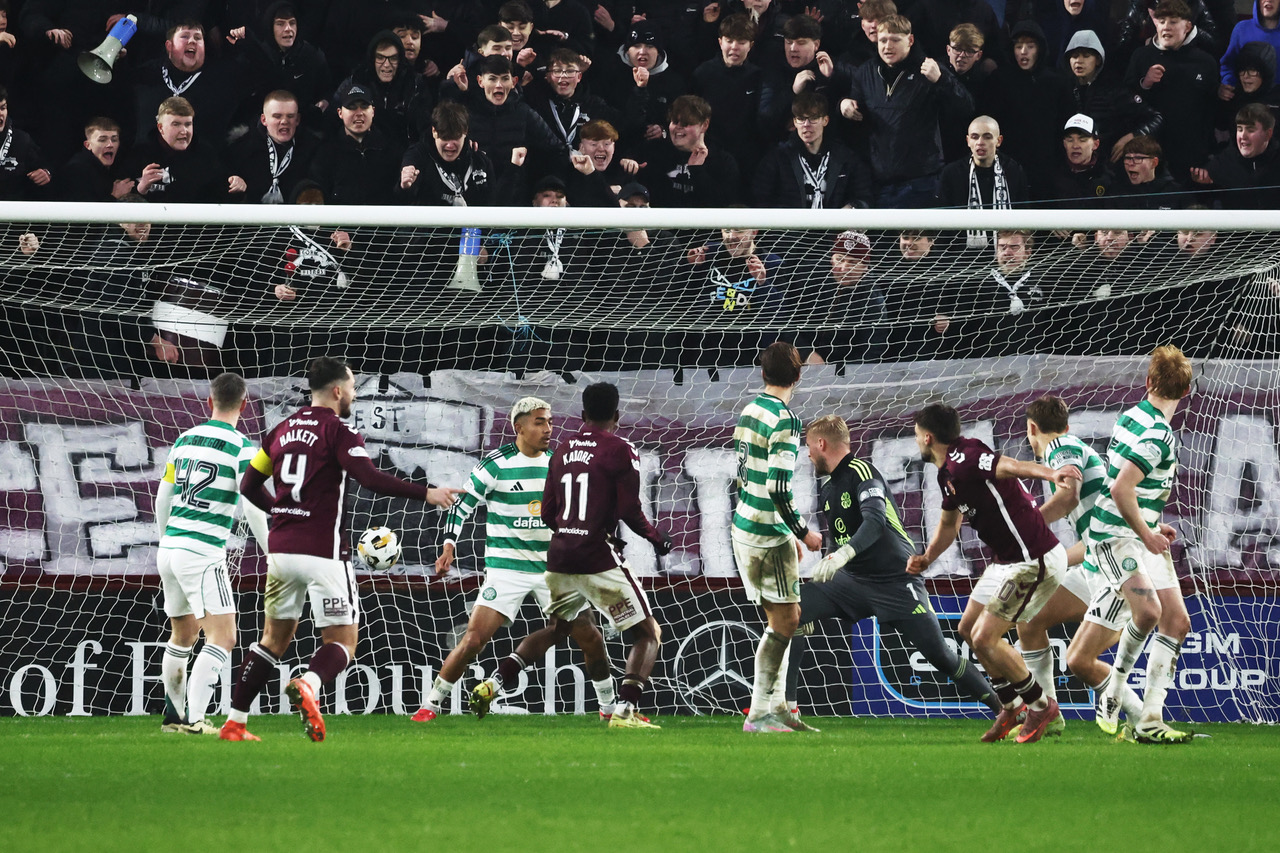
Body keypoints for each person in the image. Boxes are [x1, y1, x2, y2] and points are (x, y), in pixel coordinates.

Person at [224, 357, 459, 741]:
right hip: (323, 552)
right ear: (337, 391)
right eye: (350, 387)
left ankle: (234, 722)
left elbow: (249, 486)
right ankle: (310, 685)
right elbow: (368, 478)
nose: (351, 394)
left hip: (281, 551)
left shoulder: (280, 430)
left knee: (272, 640)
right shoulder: (338, 430)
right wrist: (427, 493)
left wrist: (284, 513)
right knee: (342, 641)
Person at [412, 397, 618, 723]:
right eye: (539, 422)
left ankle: (609, 710)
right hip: (506, 569)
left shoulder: (558, 463)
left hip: (554, 569)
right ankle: (430, 706)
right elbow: (461, 506)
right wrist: (449, 544)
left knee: (589, 636)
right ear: (518, 427)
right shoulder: (495, 464)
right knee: (474, 640)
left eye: (549, 421)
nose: (548, 428)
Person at [785, 415, 1001, 722]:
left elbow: (874, 522)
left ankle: (1003, 708)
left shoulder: (862, 471)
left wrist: (843, 554)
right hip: (853, 581)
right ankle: (787, 709)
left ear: (821, 444)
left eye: (808, 445)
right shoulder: (830, 487)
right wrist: (834, 557)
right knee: (790, 614)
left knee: (940, 656)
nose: (807, 453)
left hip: (895, 581)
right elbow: (845, 536)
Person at [908, 402, 1079, 743]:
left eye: (916, 436)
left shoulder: (966, 456)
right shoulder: (947, 474)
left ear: (927, 437)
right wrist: (927, 558)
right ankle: (1012, 703)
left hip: (1034, 558)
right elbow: (948, 524)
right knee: (968, 629)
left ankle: (1041, 706)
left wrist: (1050, 474)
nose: (916, 442)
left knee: (987, 637)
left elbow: (1011, 466)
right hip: (1006, 562)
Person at [539, 382, 672, 729]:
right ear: (617, 415)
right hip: (597, 555)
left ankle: (495, 681)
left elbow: (547, 514)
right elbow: (630, 508)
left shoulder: (562, 448)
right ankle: (624, 712)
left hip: (560, 557)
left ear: (582, 415)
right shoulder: (620, 449)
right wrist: (657, 538)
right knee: (647, 633)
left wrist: (572, 530)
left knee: (557, 631)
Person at [1084, 346, 1196, 743]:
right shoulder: (1157, 434)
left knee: (1176, 622)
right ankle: (1113, 690)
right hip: (1116, 537)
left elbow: (1129, 484)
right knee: (1148, 611)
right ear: (1186, 392)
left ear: (1148, 382)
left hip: (1140, 533)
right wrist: (1146, 532)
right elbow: (1120, 488)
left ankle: (1149, 719)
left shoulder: (1132, 416)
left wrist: (1151, 524)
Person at [155, 372, 270, 735]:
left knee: (183, 636)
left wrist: (167, 540)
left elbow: (163, 498)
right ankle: (195, 720)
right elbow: (252, 504)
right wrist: (271, 551)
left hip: (171, 547)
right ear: (245, 404)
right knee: (223, 637)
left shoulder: (184, 439)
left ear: (210, 401)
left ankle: (174, 719)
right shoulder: (241, 447)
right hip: (202, 551)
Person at [1014, 394, 1123, 737]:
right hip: (1099, 565)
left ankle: (1143, 719)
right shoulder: (1071, 445)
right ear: (1066, 423)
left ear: (1033, 429)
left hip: (1118, 572)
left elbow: (1068, 496)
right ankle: (1047, 712)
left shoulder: (1061, 447)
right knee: (1028, 618)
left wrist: (1024, 530)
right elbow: (1090, 542)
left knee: (1081, 662)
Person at [732, 342, 823, 733]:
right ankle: (759, 712)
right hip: (768, 532)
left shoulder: (750, 409)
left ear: (762, 374)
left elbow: (743, 473)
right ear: (798, 376)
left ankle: (779, 707)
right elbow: (778, 486)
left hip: (743, 525)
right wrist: (803, 533)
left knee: (781, 620)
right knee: (787, 621)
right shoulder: (785, 419)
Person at [841, 15, 974, 208]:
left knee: (918, 239)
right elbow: (856, 117)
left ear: (910, 40)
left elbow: (966, 108)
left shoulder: (929, 70)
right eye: (883, 40)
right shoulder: (865, 72)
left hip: (922, 183)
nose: (888, 46)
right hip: (878, 183)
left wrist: (942, 80)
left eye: (895, 40)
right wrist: (842, 106)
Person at [1123, 0, 1218, 183]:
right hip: (1148, 155)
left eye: (1173, 22)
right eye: (1161, 21)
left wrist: (1207, 157)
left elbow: (1211, 114)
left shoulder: (1206, 62)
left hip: (1191, 157)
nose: (1166, 27)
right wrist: (1145, 84)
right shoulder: (1141, 56)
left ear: (1188, 26)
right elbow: (1125, 104)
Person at [752, 92, 872, 208]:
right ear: (794, 122)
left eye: (813, 118)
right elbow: (761, 199)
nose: (806, 125)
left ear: (825, 120)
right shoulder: (778, 158)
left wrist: (852, 207)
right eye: (801, 119)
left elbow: (863, 196)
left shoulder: (845, 157)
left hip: (834, 227)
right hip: (791, 228)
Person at [127, 97, 247, 203]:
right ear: (161, 128)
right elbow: (121, 202)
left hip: (195, 227)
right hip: (153, 228)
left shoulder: (206, 155)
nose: (184, 131)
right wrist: (141, 189)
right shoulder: (138, 155)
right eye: (176, 124)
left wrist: (237, 186)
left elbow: (222, 197)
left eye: (188, 124)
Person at [936, 116, 1030, 249]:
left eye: (987, 137)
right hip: (961, 257)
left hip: (1005, 254)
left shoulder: (1013, 170)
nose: (980, 142)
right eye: (975, 137)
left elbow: (1023, 216)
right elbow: (942, 225)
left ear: (999, 141)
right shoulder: (951, 173)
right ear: (968, 141)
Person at [693, 14, 766, 180]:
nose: (735, 47)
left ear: (750, 46)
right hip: (711, 153)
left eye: (741, 42)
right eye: (729, 41)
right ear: (720, 42)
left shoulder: (757, 76)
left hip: (748, 156)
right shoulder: (703, 73)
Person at [309, 83, 403, 205]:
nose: (359, 113)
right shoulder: (325, 153)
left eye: (364, 106)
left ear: (373, 111)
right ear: (340, 113)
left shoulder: (392, 149)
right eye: (352, 107)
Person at [645, 95, 743, 207]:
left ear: (704, 125)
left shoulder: (723, 161)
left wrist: (697, 171)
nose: (678, 127)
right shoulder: (656, 154)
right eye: (675, 122)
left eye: (686, 123)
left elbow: (722, 204)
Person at [227, 90, 317, 205]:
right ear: (264, 120)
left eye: (290, 116)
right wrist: (236, 184)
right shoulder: (241, 149)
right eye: (277, 116)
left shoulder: (314, 148)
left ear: (298, 119)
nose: (284, 121)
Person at [399, 101, 494, 207]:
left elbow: (493, 204)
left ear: (465, 132)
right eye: (445, 138)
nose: (450, 145)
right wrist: (404, 187)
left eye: (455, 138)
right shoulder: (416, 157)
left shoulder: (480, 161)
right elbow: (399, 201)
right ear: (434, 132)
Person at [1192, 102, 1280, 208]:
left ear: (1268, 134)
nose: (1243, 136)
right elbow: (1199, 197)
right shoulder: (1225, 160)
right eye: (1240, 129)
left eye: (1250, 130)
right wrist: (1202, 184)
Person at [57, 117, 134, 202]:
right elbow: (82, 212)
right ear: (88, 145)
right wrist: (115, 196)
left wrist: (142, 187)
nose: (110, 144)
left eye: (114, 139)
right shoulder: (76, 171)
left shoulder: (116, 165)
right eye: (102, 140)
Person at [1044, 113, 1113, 207]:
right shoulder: (1051, 178)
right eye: (1070, 140)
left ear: (1095, 144)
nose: (1075, 146)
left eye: (1082, 140)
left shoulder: (1109, 179)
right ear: (1064, 144)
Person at [1108, 135, 1187, 209]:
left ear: (1154, 162)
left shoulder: (1175, 193)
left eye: (1138, 158)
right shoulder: (1117, 193)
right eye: (1128, 158)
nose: (1131, 163)